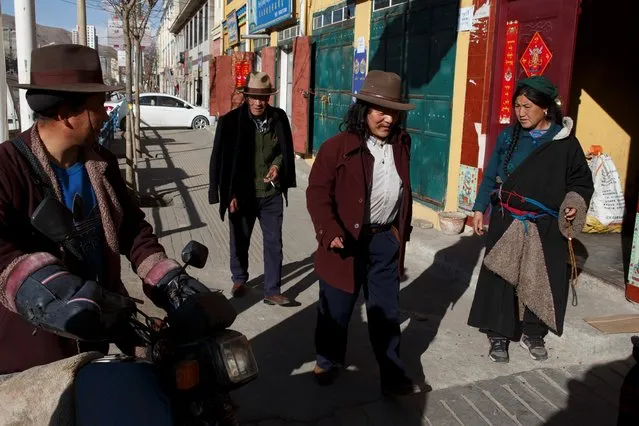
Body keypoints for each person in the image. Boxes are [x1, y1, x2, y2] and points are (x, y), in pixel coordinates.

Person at [0, 44, 210, 375]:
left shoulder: (102, 162)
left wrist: (167, 278)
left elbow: (132, 230)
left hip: (96, 338)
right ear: (67, 113)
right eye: (99, 107)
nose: (107, 115)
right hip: (34, 354)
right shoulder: (7, 167)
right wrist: (44, 288)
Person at [306, 70, 423, 397]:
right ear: (364, 110)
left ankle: (392, 373)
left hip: (385, 242)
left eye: (393, 112)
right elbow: (317, 192)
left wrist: (399, 234)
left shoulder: (402, 143)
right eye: (379, 110)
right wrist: (329, 230)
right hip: (345, 241)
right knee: (337, 308)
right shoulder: (337, 147)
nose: (387, 118)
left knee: (386, 312)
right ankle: (327, 359)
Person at [467, 76, 594, 363]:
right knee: (502, 277)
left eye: (527, 106)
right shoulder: (508, 137)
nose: (520, 112)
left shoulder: (565, 143)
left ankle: (532, 333)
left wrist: (573, 203)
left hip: (544, 225)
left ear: (546, 108)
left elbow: (581, 182)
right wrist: (479, 208)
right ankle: (498, 335)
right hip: (506, 218)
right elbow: (491, 175)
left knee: (539, 277)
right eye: (517, 106)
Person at [208, 72, 296, 305]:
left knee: (273, 242)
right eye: (254, 97)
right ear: (246, 97)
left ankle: (272, 290)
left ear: (269, 98)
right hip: (242, 194)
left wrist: (277, 167)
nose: (259, 103)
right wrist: (226, 194)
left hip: (271, 194)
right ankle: (239, 278)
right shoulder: (230, 122)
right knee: (240, 239)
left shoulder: (279, 118)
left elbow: (283, 152)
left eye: (263, 98)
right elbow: (219, 158)